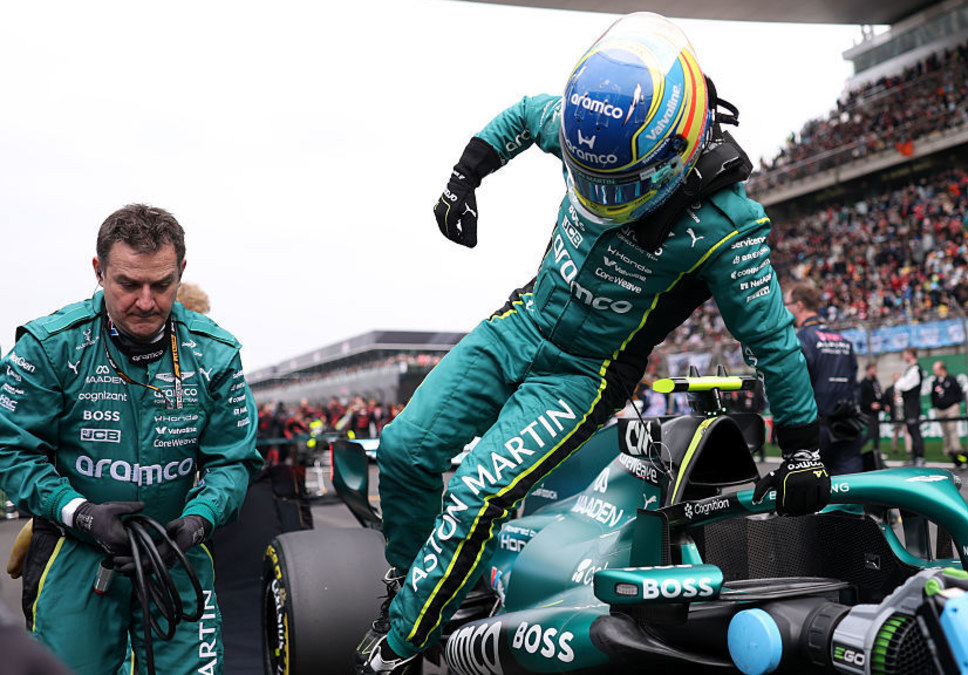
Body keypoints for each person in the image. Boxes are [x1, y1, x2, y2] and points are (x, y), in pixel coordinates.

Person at [356, 13, 829, 674]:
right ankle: (416, 589)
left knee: (474, 492)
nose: (599, 194)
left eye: (620, 182)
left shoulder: (729, 223)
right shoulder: (592, 122)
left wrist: (805, 446)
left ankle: (399, 651)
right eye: (588, 174)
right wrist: (465, 176)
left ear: (677, 148)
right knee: (404, 450)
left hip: (581, 374)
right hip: (516, 324)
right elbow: (525, 112)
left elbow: (774, 340)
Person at [0, 204, 262, 675]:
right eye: (128, 284)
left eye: (162, 284)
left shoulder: (216, 353)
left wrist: (198, 521)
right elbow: (12, 451)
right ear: (99, 272)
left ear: (181, 271)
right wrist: (78, 513)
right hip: (74, 551)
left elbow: (234, 462)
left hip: (176, 551)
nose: (146, 301)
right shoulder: (50, 346)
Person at [788, 282, 863, 474]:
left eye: (786, 305)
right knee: (850, 493)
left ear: (799, 305)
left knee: (813, 495)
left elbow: (796, 387)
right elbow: (854, 385)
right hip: (848, 427)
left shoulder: (801, 339)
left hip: (815, 431)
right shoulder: (844, 340)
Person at [930, 361, 967, 468]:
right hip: (940, 410)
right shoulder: (935, 382)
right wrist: (935, 406)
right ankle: (948, 451)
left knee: (952, 429)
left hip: (951, 408)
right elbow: (932, 395)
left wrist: (956, 403)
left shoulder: (951, 379)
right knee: (945, 431)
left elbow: (959, 393)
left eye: (936, 369)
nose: (934, 371)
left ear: (942, 369)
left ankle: (957, 450)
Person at [896, 347, 926, 466]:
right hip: (909, 405)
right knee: (911, 431)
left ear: (910, 354)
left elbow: (903, 385)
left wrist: (898, 384)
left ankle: (920, 456)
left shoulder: (915, 369)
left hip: (913, 405)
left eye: (905, 354)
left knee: (915, 431)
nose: (904, 356)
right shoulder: (910, 369)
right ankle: (915, 456)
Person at [858, 361, 884, 466]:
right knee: (871, 432)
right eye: (873, 370)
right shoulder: (863, 383)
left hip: (876, 411)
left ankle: (876, 451)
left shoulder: (875, 382)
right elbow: (861, 399)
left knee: (877, 432)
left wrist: (881, 405)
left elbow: (879, 395)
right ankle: (858, 447)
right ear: (868, 370)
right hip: (868, 412)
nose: (875, 372)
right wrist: (870, 405)